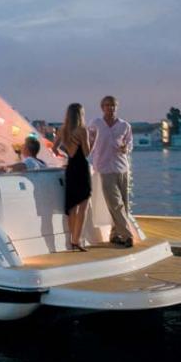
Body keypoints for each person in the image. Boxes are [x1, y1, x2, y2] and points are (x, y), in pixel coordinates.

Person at [89, 95, 134, 248]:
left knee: (124, 204)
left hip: (122, 167)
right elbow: (88, 143)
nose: (111, 108)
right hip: (104, 168)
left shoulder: (125, 125)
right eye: (107, 105)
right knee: (115, 203)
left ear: (116, 107)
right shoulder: (96, 124)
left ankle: (114, 235)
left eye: (113, 105)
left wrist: (126, 148)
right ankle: (127, 235)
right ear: (102, 107)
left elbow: (130, 144)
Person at [53, 103, 91, 252]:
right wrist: (94, 140)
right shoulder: (82, 130)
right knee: (83, 206)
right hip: (81, 168)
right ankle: (77, 240)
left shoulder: (62, 130)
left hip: (71, 168)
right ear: (81, 114)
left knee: (72, 205)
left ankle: (71, 241)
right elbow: (87, 153)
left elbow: (54, 148)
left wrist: (65, 156)